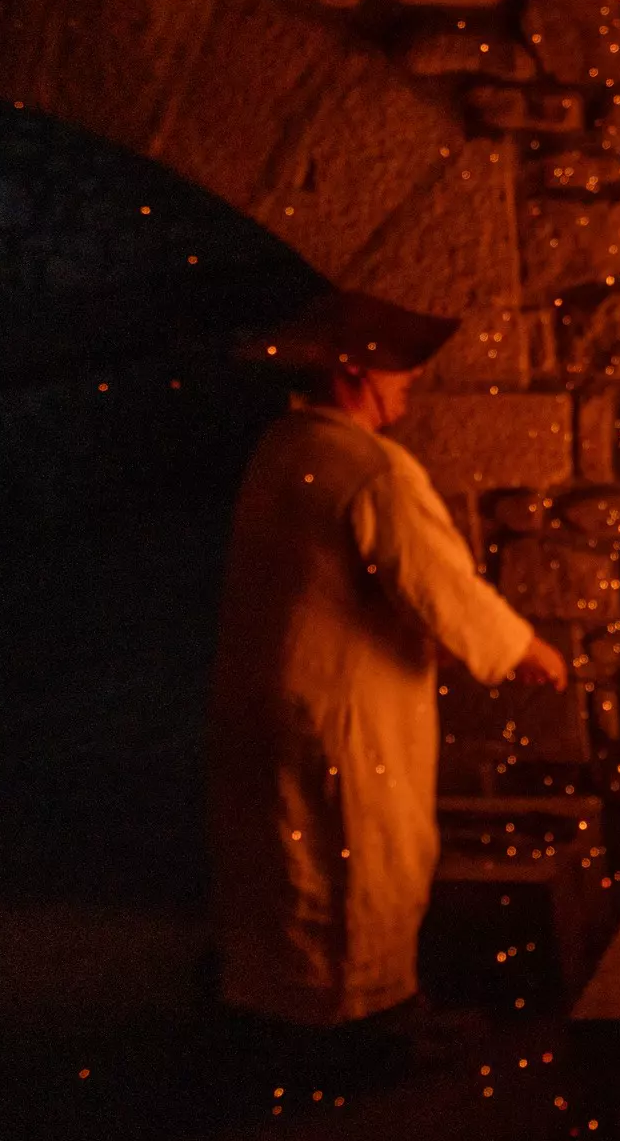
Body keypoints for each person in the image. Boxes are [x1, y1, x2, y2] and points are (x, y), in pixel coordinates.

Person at [208, 290, 567, 1051]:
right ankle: (369, 1025)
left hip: (276, 698)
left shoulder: (283, 448)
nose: (408, 383)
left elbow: (341, 578)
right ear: (353, 374)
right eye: (396, 371)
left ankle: (281, 1014)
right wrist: (522, 647)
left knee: (289, 858)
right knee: (363, 856)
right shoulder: (372, 469)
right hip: (343, 712)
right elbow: (435, 581)